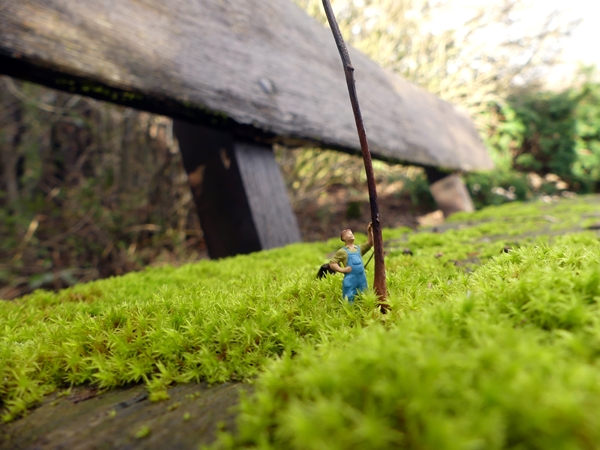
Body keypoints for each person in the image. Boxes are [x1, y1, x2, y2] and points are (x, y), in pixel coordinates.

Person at [329, 223, 373, 303]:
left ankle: (364, 307)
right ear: (344, 238)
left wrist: (369, 231)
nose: (351, 235)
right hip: (350, 278)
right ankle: (349, 307)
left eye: (352, 233)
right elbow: (332, 263)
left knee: (364, 293)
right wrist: (342, 270)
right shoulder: (342, 251)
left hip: (362, 277)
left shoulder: (359, 248)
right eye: (349, 234)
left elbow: (370, 243)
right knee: (349, 295)